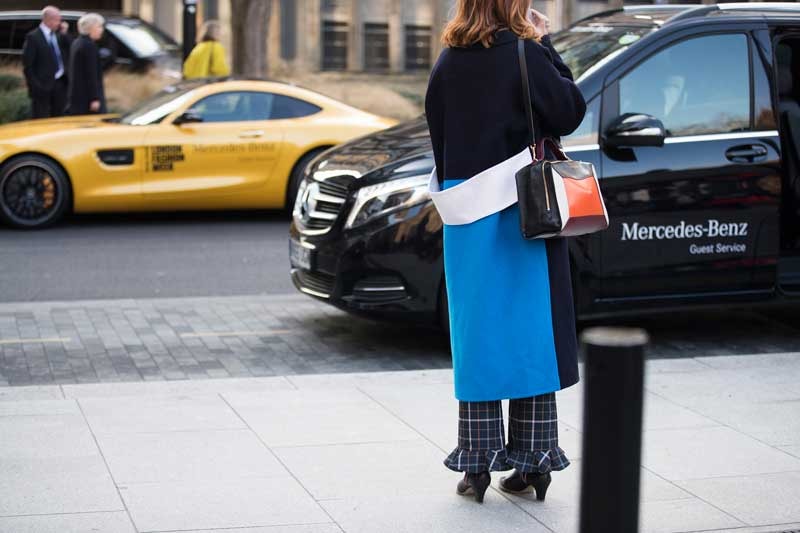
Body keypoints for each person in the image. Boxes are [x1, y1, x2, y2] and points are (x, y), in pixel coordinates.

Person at [424, 0, 586, 503]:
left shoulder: (449, 60)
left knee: (478, 335)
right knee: (529, 331)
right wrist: (546, 43)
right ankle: (535, 461)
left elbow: (438, 134)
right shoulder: (525, 53)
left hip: (467, 215)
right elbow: (569, 111)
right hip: (523, 212)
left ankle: (476, 466)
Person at [22, 5, 71, 119]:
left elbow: (71, 48)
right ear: (49, 20)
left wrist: (65, 33)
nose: (60, 23)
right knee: (41, 118)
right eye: (58, 20)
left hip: (60, 84)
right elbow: (28, 66)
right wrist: (36, 87)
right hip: (42, 86)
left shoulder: (59, 35)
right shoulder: (33, 37)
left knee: (59, 118)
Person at [65, 13, 107, 116]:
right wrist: (94, 98)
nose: (101, 30)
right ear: (90, 28)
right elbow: (91, 74)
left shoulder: (77, 42)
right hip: (87, 100)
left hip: (78, 97)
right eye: (99, 26)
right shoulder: (89, 46)